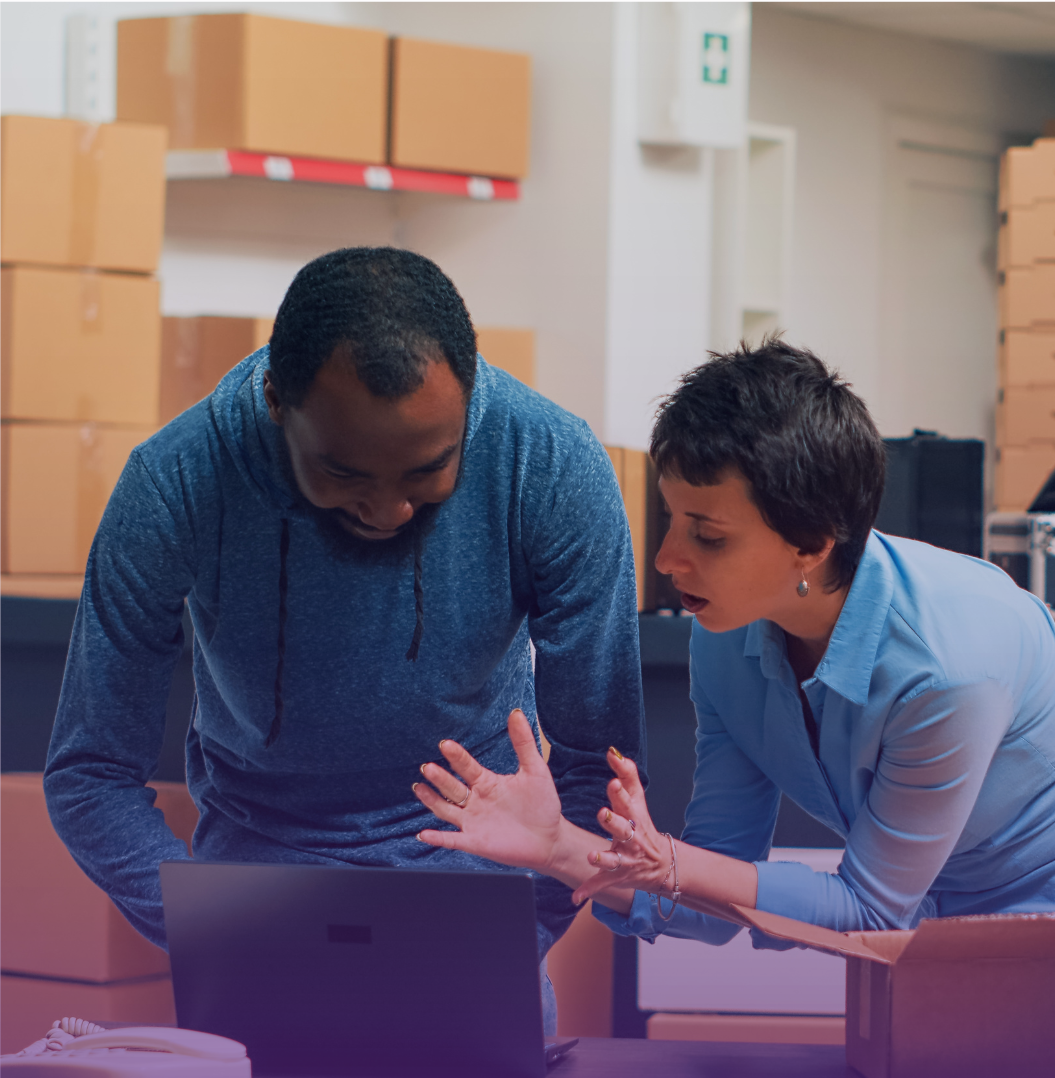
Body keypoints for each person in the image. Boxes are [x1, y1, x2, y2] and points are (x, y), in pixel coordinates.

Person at [44, 247, 646, 1026]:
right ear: (275, 402)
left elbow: (602, 769)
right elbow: (90, 770)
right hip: (258, 890)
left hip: (475, 876)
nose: (389, 508)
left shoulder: (552, 466)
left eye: (427, 472)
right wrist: (211, 925)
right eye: (345, 474)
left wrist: (517, 928)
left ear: (469, 405)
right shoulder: (175, 483)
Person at [413, 339, 1055, 948]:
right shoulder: (728, 639)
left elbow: (869, 913)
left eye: (708, 535)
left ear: (811, 545)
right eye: (671, 519)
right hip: (939, 916)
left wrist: (673, 865)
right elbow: (705, 889)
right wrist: (553, 846)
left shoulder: (947, 670)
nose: (668, 558)